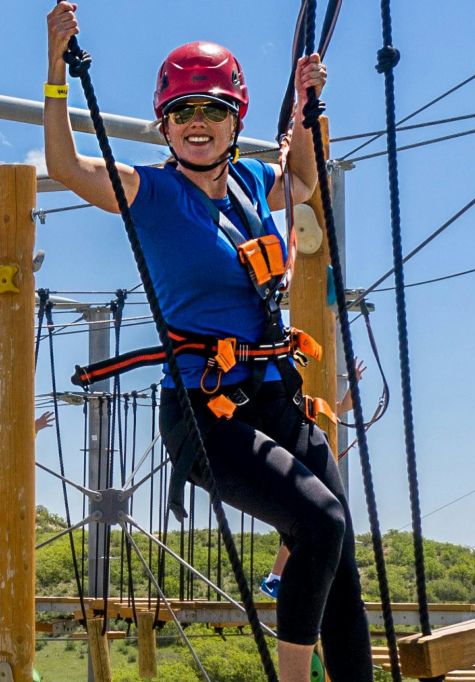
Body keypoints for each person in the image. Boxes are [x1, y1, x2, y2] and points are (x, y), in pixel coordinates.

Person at [45, 4, 372, 680]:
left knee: (338, 552)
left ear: (235, 122)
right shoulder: (151, 191)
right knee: (319, 526)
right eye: (185, 110)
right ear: (165, 124)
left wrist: (309, 109)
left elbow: (305, 180)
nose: (199, 122)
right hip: (206, 412)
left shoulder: (253, 183)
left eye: (214, 110)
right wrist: (58, 71)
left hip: (275, 397)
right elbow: (70, 167)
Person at [261, 359, 365, 600]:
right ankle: (276, 579)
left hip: (308, 462)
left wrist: (354, 382)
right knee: (308, 523)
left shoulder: (308, 410)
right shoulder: (287, 413)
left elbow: (344, 405)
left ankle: (276, 579)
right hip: (293, 464)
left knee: (312, 525)